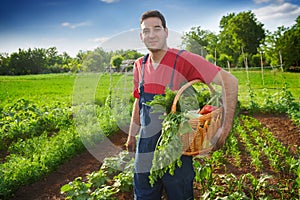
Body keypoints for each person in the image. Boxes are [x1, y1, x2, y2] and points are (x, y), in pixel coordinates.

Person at [125, 10, 238, 200]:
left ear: (166, 32)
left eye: (157, 29)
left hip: (177, 148)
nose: (151, 35)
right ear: (141, 36)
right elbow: (139, 101)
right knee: (143, 194)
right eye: (146, 31)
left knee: (179, 193)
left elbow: (230, 81)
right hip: (145, 147)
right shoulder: (139, 65)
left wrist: (225, 127)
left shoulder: (183, 59)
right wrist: (131, 136)